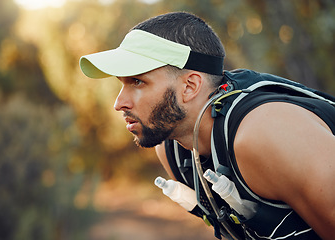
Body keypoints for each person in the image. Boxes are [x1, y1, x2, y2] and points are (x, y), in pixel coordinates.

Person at [79, 12, 335, 240]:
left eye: (137, 82)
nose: (119, 103)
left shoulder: (267, 133)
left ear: (190, 86)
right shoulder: (173, 150)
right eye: (121, 83)